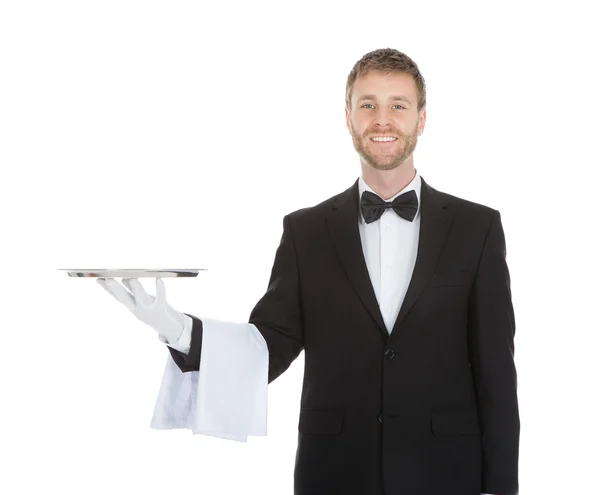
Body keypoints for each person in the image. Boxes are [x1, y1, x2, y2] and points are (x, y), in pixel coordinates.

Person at [98, 48, 519, 495]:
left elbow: (496, 373)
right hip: (334, 473)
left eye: (398, 104)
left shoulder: (478, 228)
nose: (382, 119)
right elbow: (269, 346)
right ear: (348, 118)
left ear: (421, 119)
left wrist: (501, 487)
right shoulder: (306, 232)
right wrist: (178, 330)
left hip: (447, 474)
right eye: (367, 104)